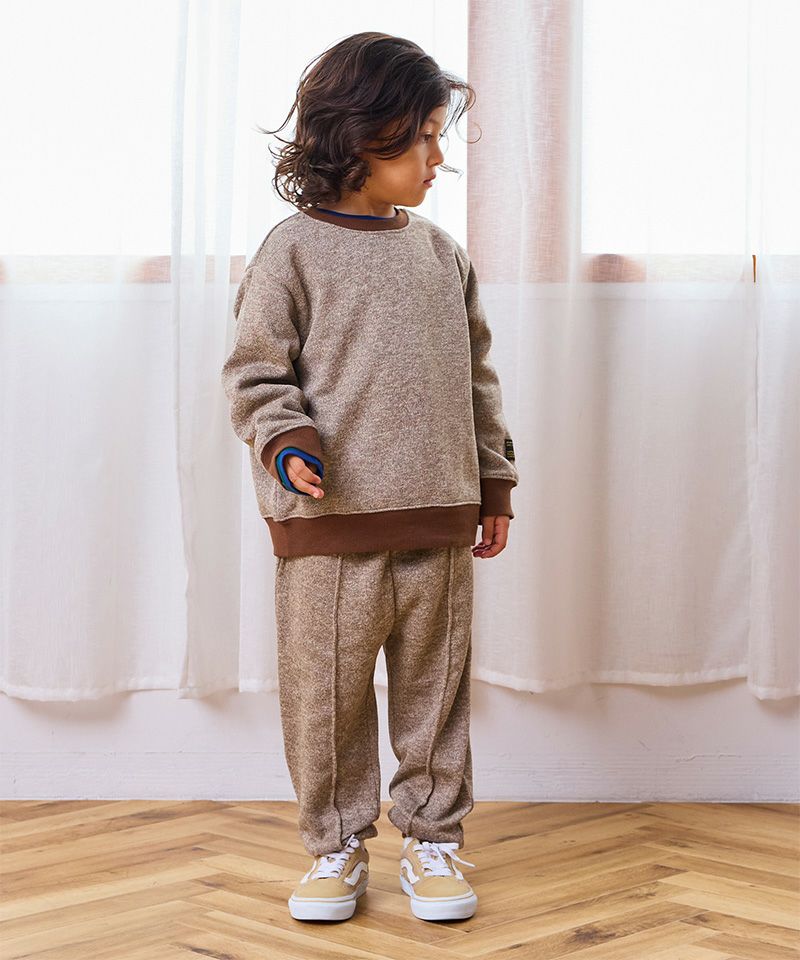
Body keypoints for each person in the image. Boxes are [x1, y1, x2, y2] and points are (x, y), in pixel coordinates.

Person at [221, 31, 519, 923]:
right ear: (360, 134)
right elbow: (255, 372)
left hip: (439, 518)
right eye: (422, 137)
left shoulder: (441, 254)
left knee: (437, 692)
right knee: (327, 699)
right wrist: (286, 439)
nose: (437, 158)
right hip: (330, 527)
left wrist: (494, 482)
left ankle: (434, 839)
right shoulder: (291, 251)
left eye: (437, 137)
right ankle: (335, 845)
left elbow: (477, 379)